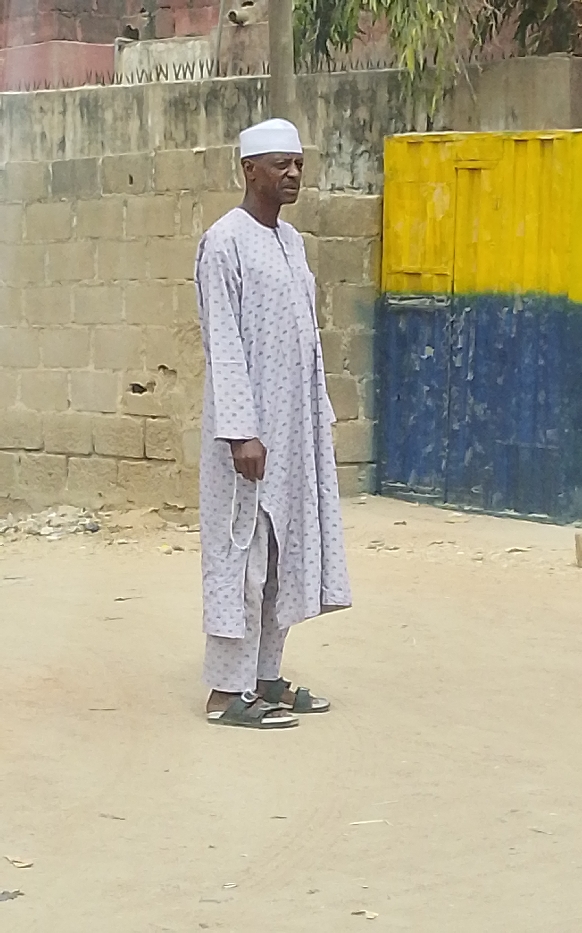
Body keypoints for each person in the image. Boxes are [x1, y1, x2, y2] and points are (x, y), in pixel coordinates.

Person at [194, 118, 352, 729]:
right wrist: (241, 432)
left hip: (293, 431)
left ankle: (264, 678)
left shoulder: (292, 242)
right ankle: (225, 692)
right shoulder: (223, 242)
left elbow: (306, 338)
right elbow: (224, 344)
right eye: (281, 164)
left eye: (298, 164)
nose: (293, 174)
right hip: (249, 438)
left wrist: (316, 418)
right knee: (243, 556)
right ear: (249, 170)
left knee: (282, 557)